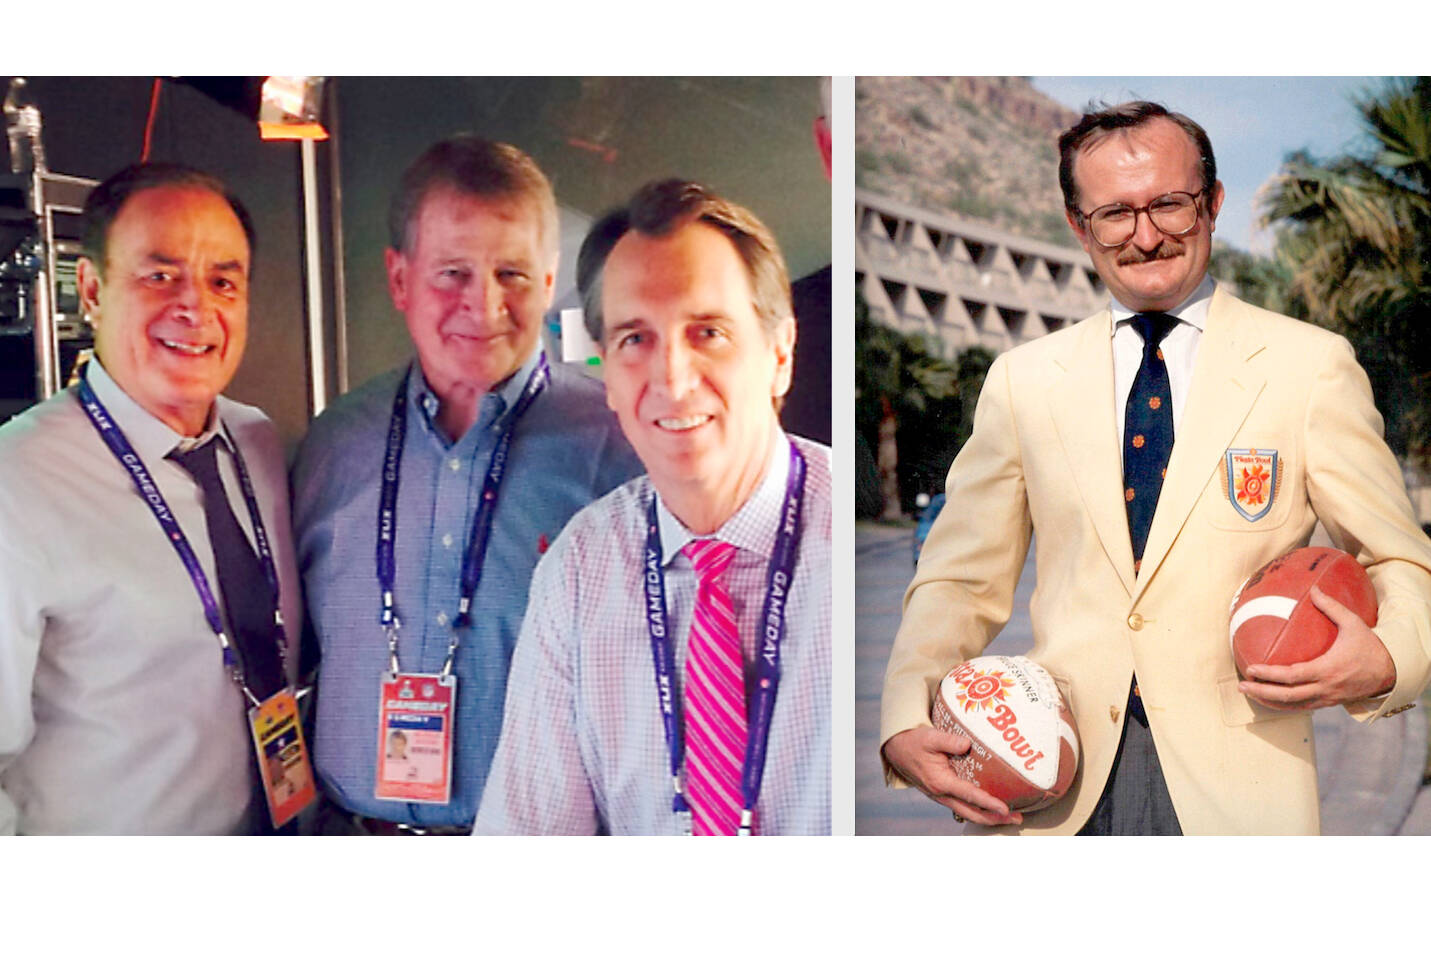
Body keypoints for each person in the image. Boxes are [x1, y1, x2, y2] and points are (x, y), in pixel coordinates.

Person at [880, 101, 1431, 836]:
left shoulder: (1308, 366)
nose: (1144, 237)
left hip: (1240, 792)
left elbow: (1399, 555)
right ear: (1079, 226)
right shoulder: (1022, 379)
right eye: (1113, 214)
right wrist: (902, 717)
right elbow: (959, 577)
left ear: (1212, 204)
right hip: (1050, 788)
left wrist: (1388, 659)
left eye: (1168, 205)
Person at [293, 136, 641, 835]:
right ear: (399, 280)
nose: (483, 304)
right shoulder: (333, 444)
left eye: (510, 273)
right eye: (452, 272)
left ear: (547, 283)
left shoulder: (621, 447)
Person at [474, 179, 831, 836]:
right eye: (635, 339)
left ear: (779, 355)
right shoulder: (578, 571)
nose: (672, 378)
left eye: (708, 332)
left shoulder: (861, 559)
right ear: (606, 371)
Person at [0, 162, 302, 834]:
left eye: (223, 281)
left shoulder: (256, 443)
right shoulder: (14, 481)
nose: (196, 307)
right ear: (92, 289)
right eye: (159, 274)